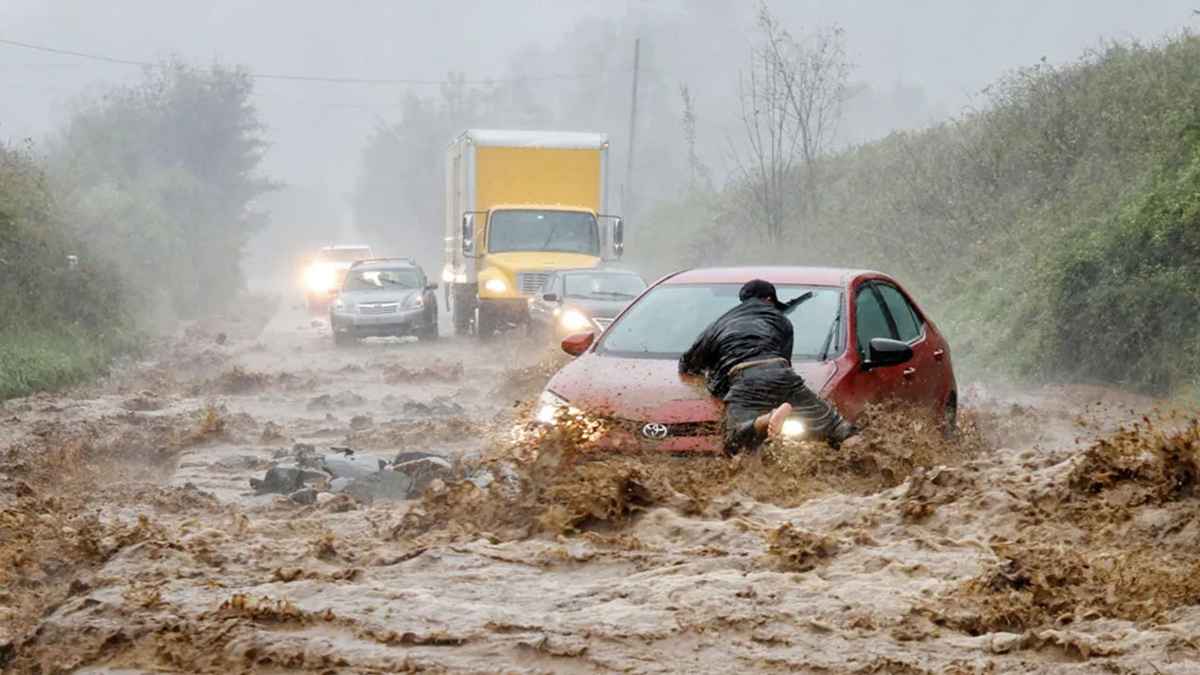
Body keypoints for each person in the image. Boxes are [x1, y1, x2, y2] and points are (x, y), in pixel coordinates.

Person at [679, 279, 856, 455]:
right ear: (770, 300)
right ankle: (866, 461)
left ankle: (767, 419)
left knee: (733, 441)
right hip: (781, 372)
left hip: (744, 377)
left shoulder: (719, 324)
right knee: (836, 426)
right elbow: (785, 362)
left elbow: (688, 363)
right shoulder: (781, 321)